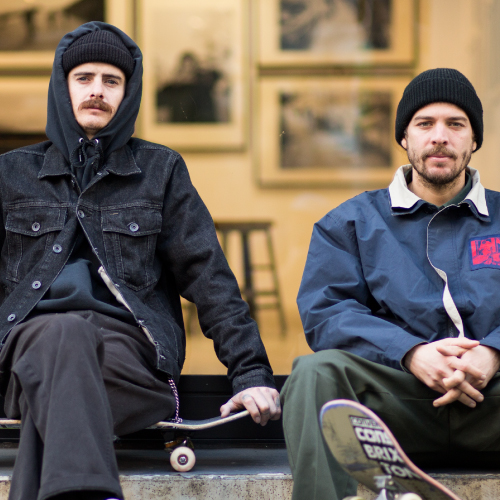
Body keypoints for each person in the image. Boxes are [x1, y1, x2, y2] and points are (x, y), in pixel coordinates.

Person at [0, 22, 280, 500]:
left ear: (128, 94)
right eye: (84, 78)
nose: (97, 91)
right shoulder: (10, 173)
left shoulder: (161, 170)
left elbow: (208, 276)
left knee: (57, 386)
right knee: (63, 333)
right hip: (29, 349)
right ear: (62, 87)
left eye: (111, 81)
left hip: (127, 360)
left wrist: (250, 374)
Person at [281, 68, 500, 500]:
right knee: (312, 373)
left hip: (490, 403)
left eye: (456, 124)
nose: (440, 137)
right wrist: (409, 352)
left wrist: (494, 351)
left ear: (474, 139)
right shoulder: (351, 221)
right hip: (395, 410)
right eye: (425, 124)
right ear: (404, 136)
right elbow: (326, 313)